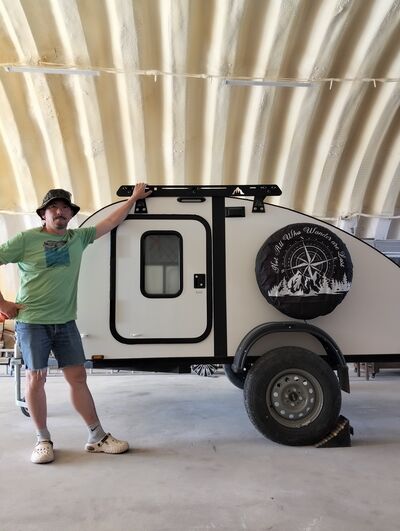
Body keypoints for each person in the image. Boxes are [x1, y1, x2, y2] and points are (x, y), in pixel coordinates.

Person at [0, 183, 151, 464]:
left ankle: (97, 437)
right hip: (32, 322)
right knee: (36, 378)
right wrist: (2, 304)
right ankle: (43, 440)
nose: (59, 212)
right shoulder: (26, 240)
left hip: (65, 322)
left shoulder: (78, 238)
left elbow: (110, 222)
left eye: (65, 208)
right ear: (43, 214)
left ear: (70, 214)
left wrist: (132, 199)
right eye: (53, 208)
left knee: (78, 378)